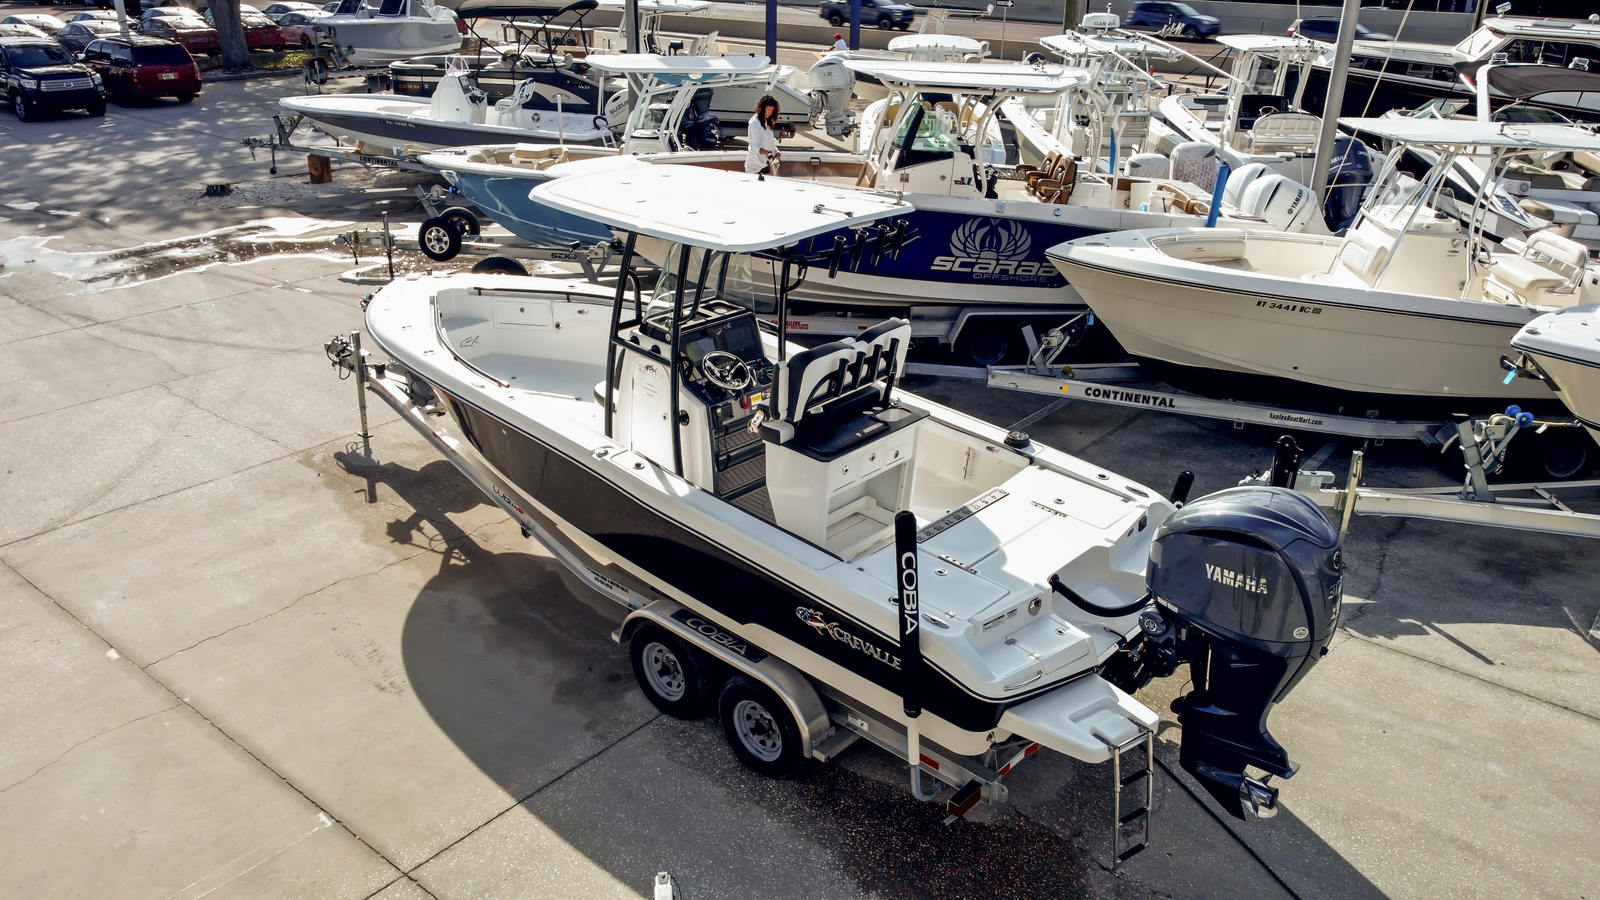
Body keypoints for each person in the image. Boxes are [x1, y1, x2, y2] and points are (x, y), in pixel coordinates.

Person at [746, 94, 781, 179]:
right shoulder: (755, 123)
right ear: (762, 108)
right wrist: (766, 153)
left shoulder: (766, 121)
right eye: (768, 110)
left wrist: (777, 152)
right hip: (755, 168)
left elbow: (768, 143)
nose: (770, 113)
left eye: (772, 110)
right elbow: (755, 147)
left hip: (766, 165)